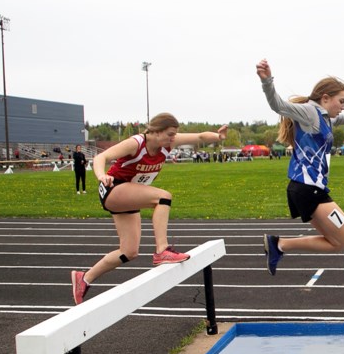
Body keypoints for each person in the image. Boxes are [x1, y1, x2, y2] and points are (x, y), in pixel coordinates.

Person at [255, 58, 344, 339]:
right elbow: (278, 105)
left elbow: (343, 118)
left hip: (307, 190)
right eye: (341, 100)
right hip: (309, 190)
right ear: (325, 98)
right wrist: (267, 80)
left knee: (337, 244)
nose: (343, 106)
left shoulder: (324, 116)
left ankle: (279, 244)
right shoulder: (309, 112)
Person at [70, 113, 227, 304]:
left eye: (174, 135)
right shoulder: (136, 143)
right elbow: (102, 156)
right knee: (163, 197)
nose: (173, 139)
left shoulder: (167, 144)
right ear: (155, 131)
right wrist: (101, 175)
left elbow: (200, 137)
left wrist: (218, 137)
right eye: (170, 134)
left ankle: (84, 278)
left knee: (128, 252)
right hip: (114, 188)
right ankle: (162, 250)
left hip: (129, 195)